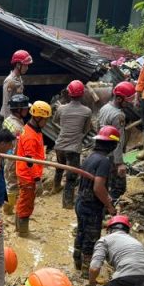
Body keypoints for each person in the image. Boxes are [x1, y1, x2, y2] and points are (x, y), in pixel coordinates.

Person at [74, 127, 120, 277]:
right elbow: (98, 187)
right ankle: (87, 275)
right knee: (91, 239)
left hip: (81, 202)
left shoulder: (90, 156)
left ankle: (77, 264)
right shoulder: (104, 161)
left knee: (81, 233)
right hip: (91, 206)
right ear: (112, 145)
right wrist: (109, 206)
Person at [53, 80, 94, 209]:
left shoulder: (61, 108)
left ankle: (56, 186)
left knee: (59, 167)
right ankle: (67, 203)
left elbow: (55, 121)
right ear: (82, 95)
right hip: (74, 148)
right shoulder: (87, 111)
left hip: (59, 145)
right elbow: (86, 130)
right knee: (71, 176)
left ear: (69, 94)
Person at [14, 100, 52, 236]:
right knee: (26, 203)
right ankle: (23, 233)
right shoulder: (30, 135)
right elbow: (30, 161)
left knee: (23, 199)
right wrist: (37, 180)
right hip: (28, 174)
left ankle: (18, 229)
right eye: (45, 119)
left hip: (26, 171)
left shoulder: (34, 129)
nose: (46, 122)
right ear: (38, 117)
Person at [98, 81, 136, 201]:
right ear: (119, 99)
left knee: (105, 184)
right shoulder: (118, 115)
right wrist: (119, 163)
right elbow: (118, 140)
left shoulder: (104, 108)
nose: (129, 103)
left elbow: (97, 128)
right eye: (127, 100)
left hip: (102, 151)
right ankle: (112, 211)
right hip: (112, 155)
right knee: (118, 188)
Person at [0, 94, 30, 215]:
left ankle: (8, 207)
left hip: (8, 154)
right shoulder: (18, 128)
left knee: (9, 182)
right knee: (12, 185)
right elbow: (18, 147)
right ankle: (8, 210)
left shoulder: (8, 120)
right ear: (18, 110)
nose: (27, 110)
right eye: (25, 108)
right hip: (14, 158)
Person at [0, 50, 32, 125]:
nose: (27, 68)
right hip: (7, 117)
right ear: (18, 65)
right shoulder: (10, 81)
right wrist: (8, 123)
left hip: (15, 115)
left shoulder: (19, 78)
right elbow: (6, 103)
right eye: (25, 65)